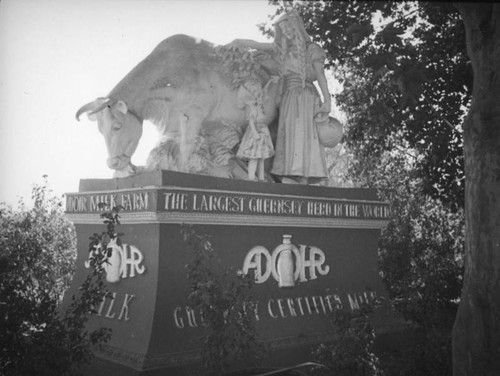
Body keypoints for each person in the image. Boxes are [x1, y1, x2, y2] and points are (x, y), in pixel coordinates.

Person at [227, 9, 331, 184]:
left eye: (289, 27)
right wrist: (238, 41)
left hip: (305, 96)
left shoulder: (311, 49)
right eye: (283, 30)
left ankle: (304, 176)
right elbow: (257, 44)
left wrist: (327, 99)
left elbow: (320, 74)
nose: (287, 32)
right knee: (287, 134)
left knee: (302, 133)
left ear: (297, 27)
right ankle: (290, 173)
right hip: (288, 96)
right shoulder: (280, 49)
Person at [236, 77, 275, 181]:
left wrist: (270, 81)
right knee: (254, 157)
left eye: (260, 94)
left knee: (261, 158)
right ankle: (251, 177)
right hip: (256, 134)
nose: (260, 96)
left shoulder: (259, 107)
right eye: (257, 95)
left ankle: (261, 177)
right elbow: (251, 121)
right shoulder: (253, 108)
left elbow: (265, 91)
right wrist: (255, 133)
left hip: (263, 133)